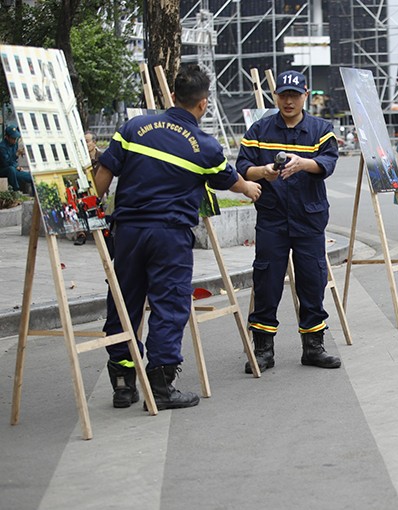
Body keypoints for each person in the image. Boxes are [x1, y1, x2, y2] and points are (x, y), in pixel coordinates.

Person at [94, 64, 262, 410]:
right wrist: (250, 188)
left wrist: (91, 210)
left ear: (172, 96)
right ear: (203, 104)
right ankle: (161, 384)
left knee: (124, 301)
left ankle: (123, 382)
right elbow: (229, 180)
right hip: (169, 235)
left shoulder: (135, 127)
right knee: (169, 304)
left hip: (127, 231)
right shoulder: (204, 146)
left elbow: (105, 169)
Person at [236, 69, 340, 374]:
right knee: (266, 282)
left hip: (309, 218)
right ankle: (263, 349)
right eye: (283, 95)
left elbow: (329, 162)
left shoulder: (320, 129)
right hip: (272, 217)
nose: (289, 101)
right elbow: (242, 167)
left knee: (312, 280)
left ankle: (313, 346)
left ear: (305, 95)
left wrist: (303, 164)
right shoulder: (259, 129)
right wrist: (264, 170)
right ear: (275, 96)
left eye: (295, 95)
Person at [73, 132, 104, 246]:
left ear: (94, 142)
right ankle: (81, 233)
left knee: (97, 201)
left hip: (97, 188)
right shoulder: (79, 158)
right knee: (78, 203)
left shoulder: (101, 157)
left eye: (87, 141)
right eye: (83, 142)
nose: (85, 145)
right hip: (83, 187)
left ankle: (100, 232)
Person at [0, 123, 32, 193]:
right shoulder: (2, 147)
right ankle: (16, 191)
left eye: (16, 138)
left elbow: (14, 160)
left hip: (14, 169)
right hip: (4, 170)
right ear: (7, 137)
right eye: (13, 138)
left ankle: (34, 195)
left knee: (31, 176)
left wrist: (17, 166)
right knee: (11, 169)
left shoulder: (15, 144)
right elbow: (6, 162)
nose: (15, 140)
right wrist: (16, 165)